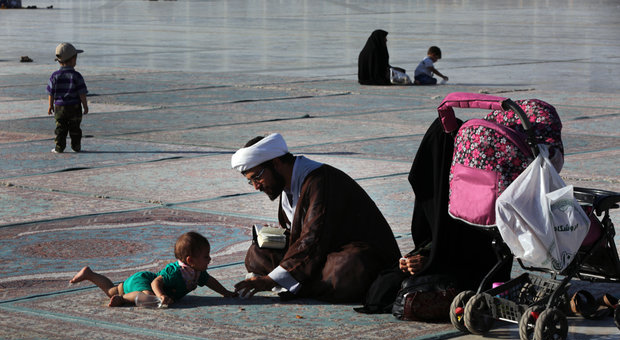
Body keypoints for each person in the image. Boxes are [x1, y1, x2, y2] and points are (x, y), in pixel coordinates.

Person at [231, 133, 401, 303]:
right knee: (258, 254)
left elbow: (314, 238)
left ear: (276, 163)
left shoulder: (320, 180)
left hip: (358, 254)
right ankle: (302, 284)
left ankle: (298, 285)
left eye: (257, 177)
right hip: (319, 253)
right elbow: (300, 236)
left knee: (344, 268)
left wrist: (271, 280)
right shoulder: (286, 183)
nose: (255, 186)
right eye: (250, 181)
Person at [399, 118, 511, 290]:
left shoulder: (480, 191)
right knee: (387, 284)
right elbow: (438, 234)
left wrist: (430, 262)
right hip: (450, 263)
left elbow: (473, 251)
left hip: (478, 275)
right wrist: (419, 255)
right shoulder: (443, 184)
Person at [69, 231, 237, 306]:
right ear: (190, 260)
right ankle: (124, 299)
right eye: (206, 256)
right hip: (144, 280)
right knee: (149, 297)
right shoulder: (175, 271)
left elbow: (210, 282)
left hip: (139, 282)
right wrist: (161, 295)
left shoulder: (197, 273)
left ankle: (89, 274)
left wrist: (225, 292)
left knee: (112, 290)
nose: (210, 259)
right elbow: (156, 282)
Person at [47, 42, 89, 153]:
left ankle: (59, 147)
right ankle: (76, 146)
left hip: (59, 107)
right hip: (74, 107)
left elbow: (51, 93)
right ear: (72, 59)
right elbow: (82, 93)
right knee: (75, 128)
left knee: (60, 128)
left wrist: (50, 105)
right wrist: (85, 106)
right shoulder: (77, 76)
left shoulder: (54, 76)